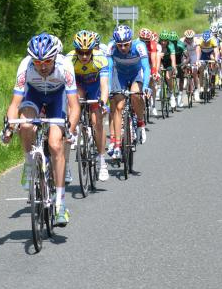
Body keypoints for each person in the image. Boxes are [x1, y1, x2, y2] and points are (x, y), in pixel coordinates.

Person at [4, 32, 80, 226]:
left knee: (55, 144)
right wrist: (9, 128)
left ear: (55, 57)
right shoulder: (25, 66)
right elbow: (15, 103)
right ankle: (30, 163)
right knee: (26, 124)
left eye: (46, 61)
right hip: (34, 95)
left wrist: (70, 129)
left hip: (57, 97)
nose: (42, 66)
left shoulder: (65, 67)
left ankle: (60, 204)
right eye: (37, 62)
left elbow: (74, 105)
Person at [66, 30, 110, 182]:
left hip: (95, 88)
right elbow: (66, 87)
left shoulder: (100, 59)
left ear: (93, 50)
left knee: (97, 121)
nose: (84, 56)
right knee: (76, 99)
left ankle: (101, 160)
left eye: (87, 52)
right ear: (75, 50)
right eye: (80, 52)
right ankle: (77, 127)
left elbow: (105, 86)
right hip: (78, 86)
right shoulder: (69, 59)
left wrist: (103, 102)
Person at [107, 25, 150, 158]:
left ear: (131, 41)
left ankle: (141, 123)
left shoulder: (139, 46)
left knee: (136, 95)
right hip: (119, 75)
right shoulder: (111, 47)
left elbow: (146, 68)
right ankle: (118, 145)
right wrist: (108, 89)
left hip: (136, 74)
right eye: (120, 45)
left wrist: (146, 86)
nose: (123, 48)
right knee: (119, 107)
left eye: (126, 45)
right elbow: (108, 70)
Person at [139, 28, 161, 117]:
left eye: (147, 41)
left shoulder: (153, 44)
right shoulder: (136, 43)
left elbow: (153, 59)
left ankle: (153, 105)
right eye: (143, 41)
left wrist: (154, 71)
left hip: (149, 63)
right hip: (140, 63)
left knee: (151, 82)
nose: (145, 43)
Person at [197, 29, 220, 97]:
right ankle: (201, 87)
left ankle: (213, 75)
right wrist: (198, 60)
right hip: (203, 54)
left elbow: (216, 51)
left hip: (211, 53)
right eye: (205, 41)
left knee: (215, 64)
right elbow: (198, 51)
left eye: (208, 41)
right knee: (201, 69)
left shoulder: (213, 40)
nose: (206, 43)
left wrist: (216, 60)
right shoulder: (200, 40)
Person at [182, 29, 200, 101]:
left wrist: (197, 60)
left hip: (194, 55)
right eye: (188, 38)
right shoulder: (182, 41)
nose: (189, 40)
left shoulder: (196, 40)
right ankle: (186, 78)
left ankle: (196, 90)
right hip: (186, 55)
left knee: (194, 72)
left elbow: (198, 51)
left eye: (191, 38)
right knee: (184, 66)